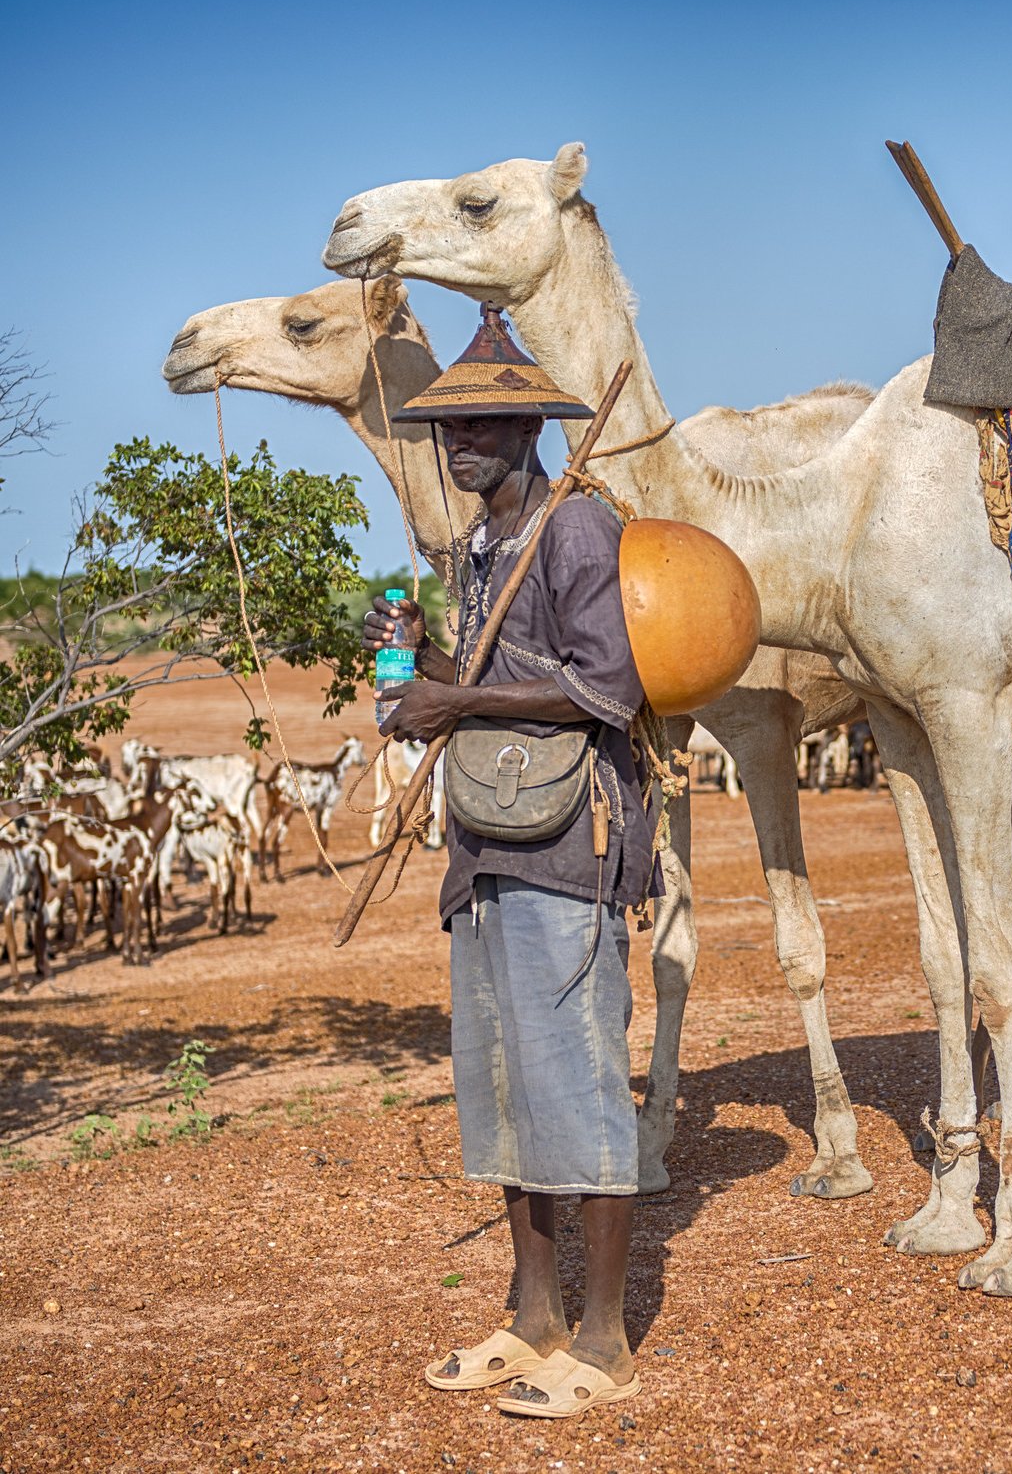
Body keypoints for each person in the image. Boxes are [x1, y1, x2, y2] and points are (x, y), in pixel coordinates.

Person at [362, 306, 654, 1419]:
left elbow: (605, 691)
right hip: (484, 843)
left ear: (531, 424)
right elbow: (485, 677)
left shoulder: (574, 530)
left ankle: (605, 1337)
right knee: (506, 1094)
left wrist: (458, 694)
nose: (460, 442)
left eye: (481, 422)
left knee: (576, 1088)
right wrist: (418, 662)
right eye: (447, 426)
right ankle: (530, 1320)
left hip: (565, 849)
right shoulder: (477, 548)